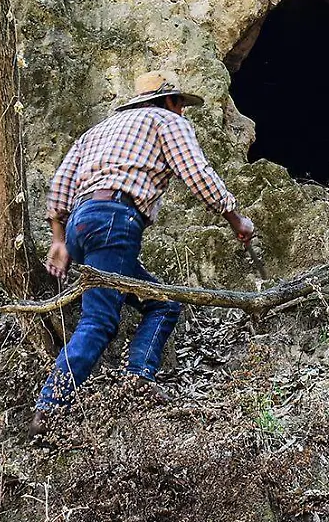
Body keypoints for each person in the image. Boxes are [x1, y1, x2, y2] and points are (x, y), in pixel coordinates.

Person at [29, 71, 256, 432]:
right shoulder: (166, 121)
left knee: (163, 303)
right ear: (169, 101)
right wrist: (236, 219)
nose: (182, 111)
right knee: (99, 321)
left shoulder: (97, 132)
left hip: (81, 223)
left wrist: (59, 240)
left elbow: (60, 186)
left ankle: (138, 381)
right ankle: (50, 407)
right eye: (180, 103)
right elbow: (197, 173)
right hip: (115, 220)